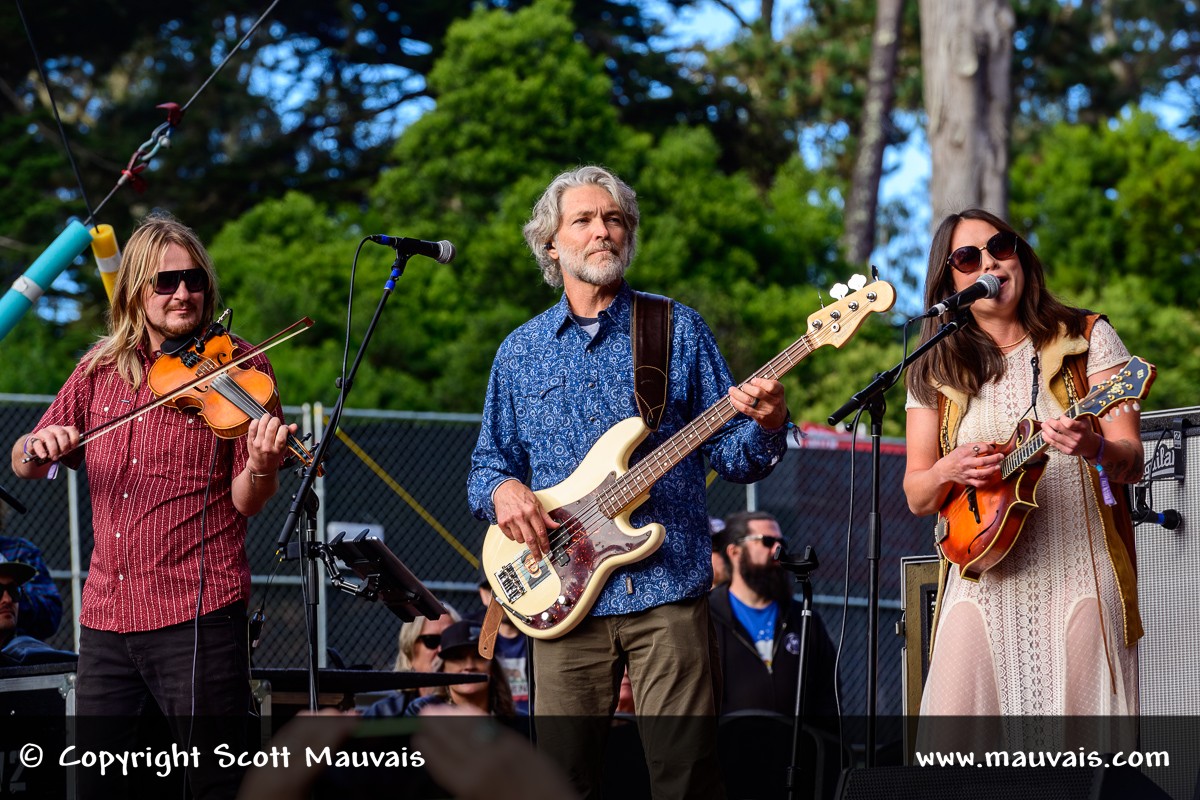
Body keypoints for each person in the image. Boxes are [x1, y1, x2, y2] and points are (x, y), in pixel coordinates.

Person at [467, 165, 791, 798]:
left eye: (614, 219)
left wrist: (771, 423)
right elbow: (487, 467)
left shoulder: (677, 329)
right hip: (559, 598)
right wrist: (504, 491)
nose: (602, 231)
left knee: (685, 778)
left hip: (667, 589)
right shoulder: (520, 351)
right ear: (551, 244)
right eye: (584, 220)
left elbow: (736, 457)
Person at [8, 213, 295, 799]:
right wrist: (39, 444)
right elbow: (24, 462)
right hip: (107, 615)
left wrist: (263, 465)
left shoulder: (240, 367)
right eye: (166, 282)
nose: (183, 294)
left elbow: (246, 501)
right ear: (136, 289)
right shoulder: (99, 367)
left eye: (194, 280)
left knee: (212, 782)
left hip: (198, 610)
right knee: (98, 784)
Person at [903, 210, 1143, 741]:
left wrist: (1094, 445)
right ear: (951, 284)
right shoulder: (934, 366)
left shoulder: (1087, 337)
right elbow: (918, 495)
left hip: (1079, 573)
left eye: (1001, 247)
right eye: (968, 258)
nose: (989, 263)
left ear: (1021, 257)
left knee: (1079, 760)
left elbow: (1132, 462)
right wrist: (948, 467)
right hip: (980, 578)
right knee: (954, 754)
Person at [709, 511, 838, 719]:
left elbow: (828, 696)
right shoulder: (707, 617)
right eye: (767, 541)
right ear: (735, 551)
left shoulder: (804, 618)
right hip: (729, 739)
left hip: (796, 740)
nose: (778, 549)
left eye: (782, 542)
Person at [361, 606, 461, 717]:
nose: (442, 649)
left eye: (450, 641)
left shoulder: (473, 704)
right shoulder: (383, 713)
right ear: (409, 651)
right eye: (432, 640)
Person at [404, 620, 516, 717]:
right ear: (443, 668)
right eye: (457, 657)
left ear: (493, 666)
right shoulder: (422, 709)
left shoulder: (516, 720)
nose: (469, 666)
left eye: (479, 656)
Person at [470, 568, 530, 714]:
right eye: (494, 590)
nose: (502, 596)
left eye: (508, 585)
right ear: (483, 595)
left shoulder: (543, 631)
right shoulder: (471, 636)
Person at [0, 506, 63, 640]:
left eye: (13, 590)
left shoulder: (20, 551)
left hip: (16, 646)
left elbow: (51, 615)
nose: (7, 599)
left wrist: (14, 594)